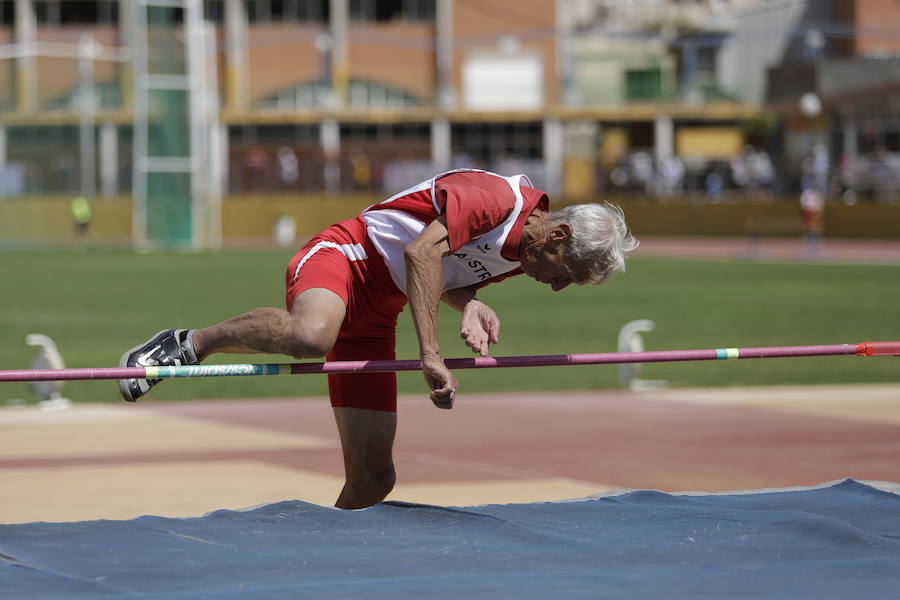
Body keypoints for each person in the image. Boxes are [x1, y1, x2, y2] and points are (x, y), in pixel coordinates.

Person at [117, 169, 638, 509]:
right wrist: (430, 355)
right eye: (565, 274)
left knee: (373, 479)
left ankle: (324, 569)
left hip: (378, 314)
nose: (556, 287)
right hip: (345, 257)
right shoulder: (496, 200)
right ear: (559, 236)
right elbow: (419, 255)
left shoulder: (520, 254)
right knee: (312, 335)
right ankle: (190, 342)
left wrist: (470, 300)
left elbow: (445, 275)